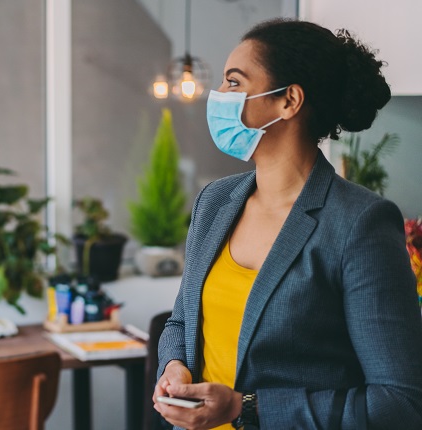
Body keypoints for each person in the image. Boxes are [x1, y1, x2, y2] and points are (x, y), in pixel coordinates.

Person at [153, 19, 422, 430]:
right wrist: (174, 366)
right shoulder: (214, 202)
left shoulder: (359, 223)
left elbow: (398, 402)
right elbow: (182, 322)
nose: (219, 97)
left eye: (233, 82)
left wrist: (245, 408)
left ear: (289, 101)